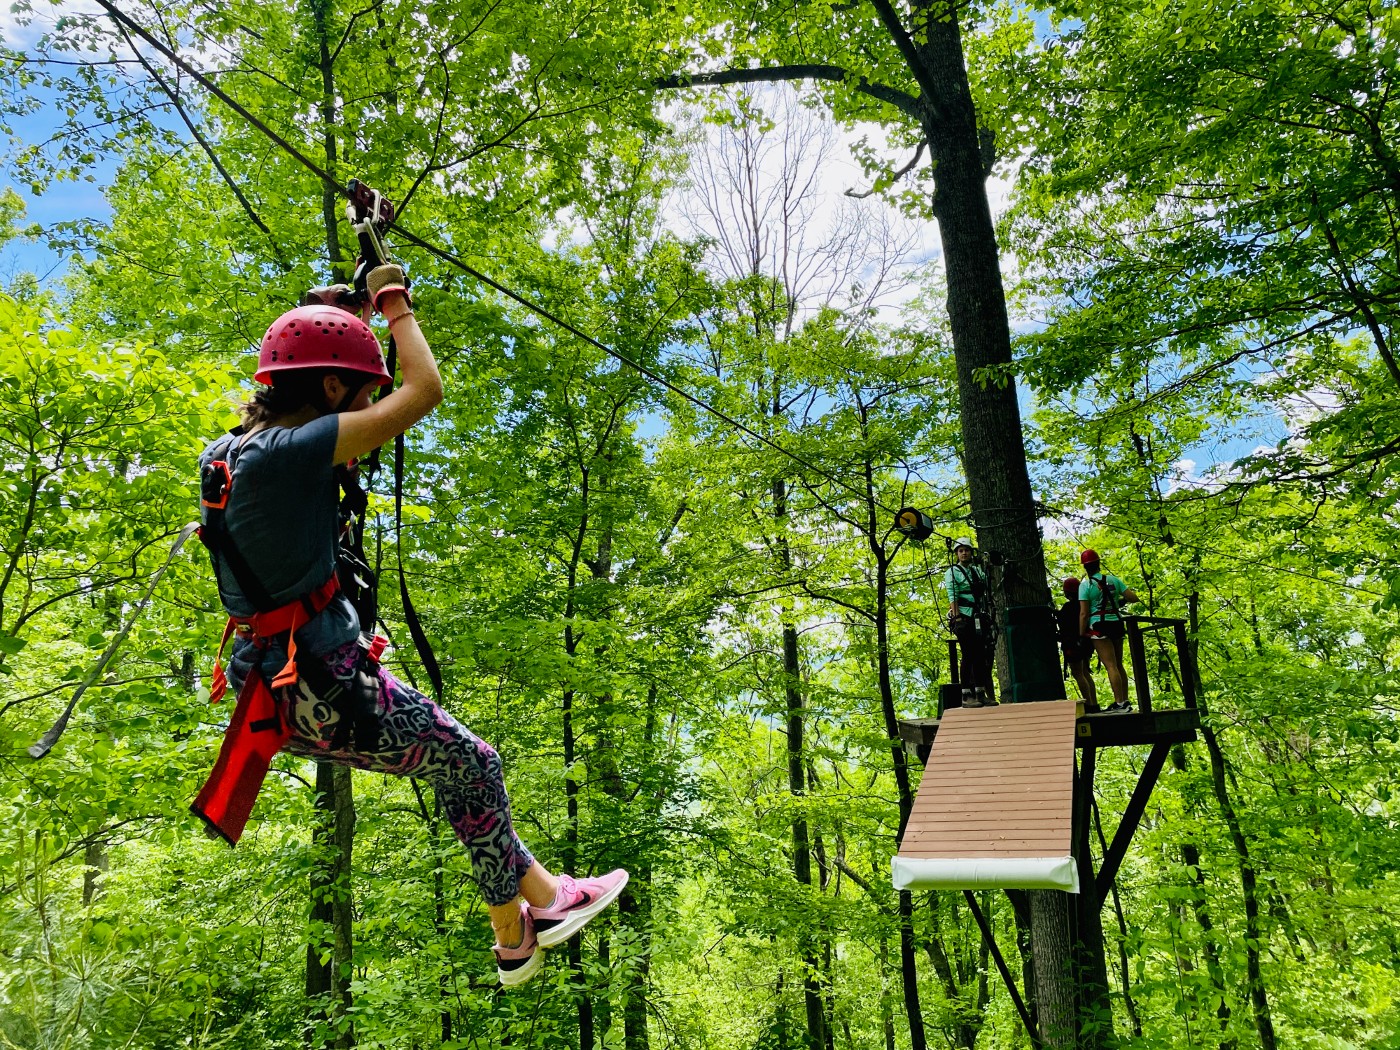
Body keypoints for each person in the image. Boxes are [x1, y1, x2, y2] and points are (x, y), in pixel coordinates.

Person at [192, 265, 626, 987]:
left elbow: (305, 349)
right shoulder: (294, 454)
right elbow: (424, 391)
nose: (370, 412)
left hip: (277, 690)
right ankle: (514, 934)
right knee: (476, 762)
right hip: (325, 683)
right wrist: (393, 302)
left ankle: (549, 900)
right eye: (363, 395)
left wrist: (348, 304)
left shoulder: (230, 451)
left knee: (458, 774)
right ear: (330, 391)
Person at [1077, 550, 1139, 713]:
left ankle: (1119, 703)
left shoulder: (1085, 585)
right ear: (1098, 564)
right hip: (1116, 623)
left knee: (1110, 665)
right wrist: (1119, 600)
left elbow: (1084, 613)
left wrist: (1081, 633)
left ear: (1085, 567)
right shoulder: (1113, 580)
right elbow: (1133, 597)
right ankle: (1124, 702)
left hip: (1099, 627)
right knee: (1118, 664)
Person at [944, 537, 997, 707]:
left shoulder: (977, 571)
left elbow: (986, 587)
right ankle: (966, 695)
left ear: (971, 552)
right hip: (963, 617)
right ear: (956, 554)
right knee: (968, 654)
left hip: (978, 616)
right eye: (961, 550)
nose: (964, 553)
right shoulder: (952, 572)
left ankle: (980, 693)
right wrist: (957, 617)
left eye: (967, 550)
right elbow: (953, 595)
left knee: (980, 655)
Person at [1056, 577, 1098, 710]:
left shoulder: (1068, 608)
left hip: (1072, 644)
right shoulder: (1084, 606)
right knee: (1085, 673)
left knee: (1078, 673)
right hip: (1085, 643)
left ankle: (1089, 705)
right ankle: (1094, 704)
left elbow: (1062, 624)